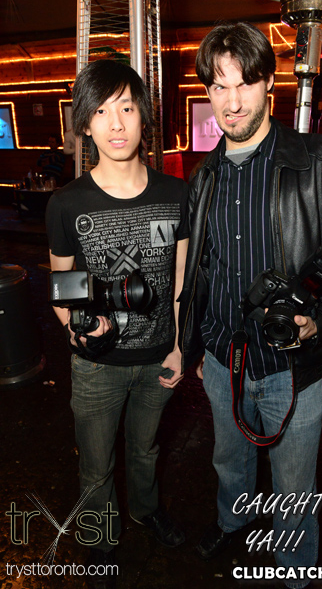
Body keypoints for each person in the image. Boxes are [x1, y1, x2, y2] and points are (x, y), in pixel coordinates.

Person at [178, 22, 322, 589]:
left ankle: (294, 570)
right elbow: (201, 270)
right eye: (218, 86)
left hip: (294, 366)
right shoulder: (204, 177)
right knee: (228, 460)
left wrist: (320, 322)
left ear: (269, 83)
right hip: (223, 361)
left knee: (293, 482)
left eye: (244, 83)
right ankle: (232, 522)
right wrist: (195, 344)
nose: (232, 101)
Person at [46, 59, 189, 588]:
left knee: (146, 450)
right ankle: (101, 542)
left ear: (143, 116)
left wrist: (180, 346)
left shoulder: (176, 194)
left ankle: (145, 511)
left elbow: (181, 280)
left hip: (158, 357)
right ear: (85, 124)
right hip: (95, 367)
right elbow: (61, 287)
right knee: (96, 465)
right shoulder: (67, 203)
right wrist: (79, 327)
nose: (116, 123)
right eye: (102, 111)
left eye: (126, 108)